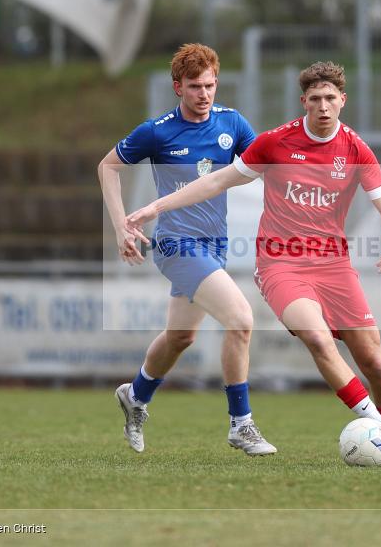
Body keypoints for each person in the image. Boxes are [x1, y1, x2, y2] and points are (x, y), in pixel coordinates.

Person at [126, 61, 381, 466]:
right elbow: (216, 180)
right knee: (318, 339)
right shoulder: (275, 143)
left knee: (375, 361)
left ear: (343, 101)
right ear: (303, 102)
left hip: (334, 266)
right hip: (280, 265)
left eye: (330, 98)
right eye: (315, 99)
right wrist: (156, 206)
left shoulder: (355, 149)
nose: (323, 106)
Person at [98, 43, 276, 456]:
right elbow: (107, 166)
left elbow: (259, 168)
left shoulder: (232, 123)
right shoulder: (157, 131)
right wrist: (120, 226)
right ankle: (241, 424)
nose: (204, 94)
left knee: (180, 337)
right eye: (195, 86)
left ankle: (136, 395)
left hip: (215, 245)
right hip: (176, 244)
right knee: (241, 319)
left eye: (210, 85)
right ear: (178, 87)